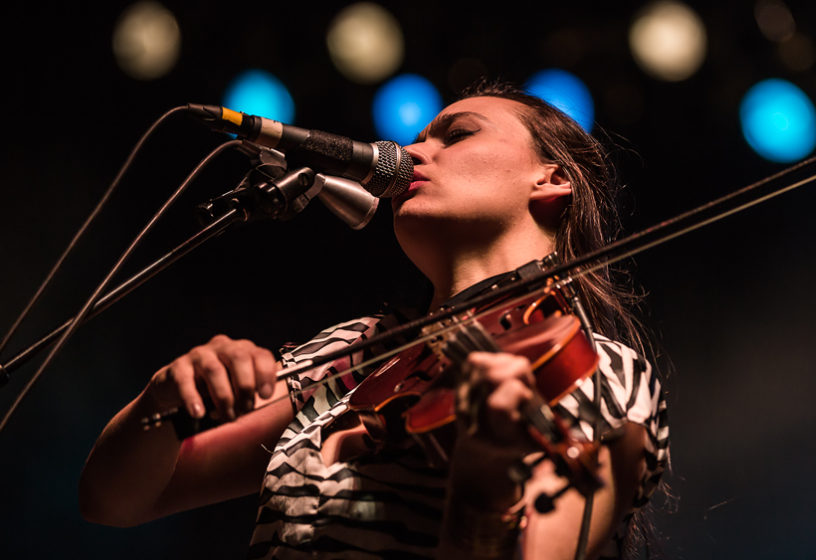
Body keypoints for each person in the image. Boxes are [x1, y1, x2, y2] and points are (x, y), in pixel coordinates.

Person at [79, 80, 670, 559]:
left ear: (552, 178)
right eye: (415, 139)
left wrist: (483, 485)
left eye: (456, 136)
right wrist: (163, 403)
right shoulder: (357, 352)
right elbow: (114, 500)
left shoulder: (590, 367)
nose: (410, 152)